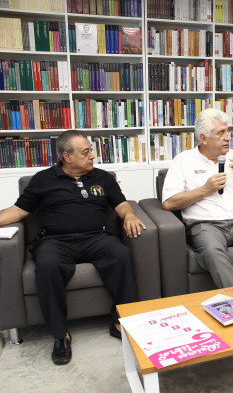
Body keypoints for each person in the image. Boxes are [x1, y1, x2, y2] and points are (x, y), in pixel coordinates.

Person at [0, 130, 145, 365]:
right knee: (47, 265)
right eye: (85, 152)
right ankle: (60, 334)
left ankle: (120, 322)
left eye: (91, 150)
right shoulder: (43, 179)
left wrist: (128, 215)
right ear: (67, 156)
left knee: (121, 254)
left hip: (96, 237)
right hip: (55, 241)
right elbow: (18, 211)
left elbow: (121, 203)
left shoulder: (103, 177)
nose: (92, 156)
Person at [162, 108, 233, 289]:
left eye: (228, 131)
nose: (228, 137)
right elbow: (169, 203)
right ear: (203, 138)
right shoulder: (183, 161)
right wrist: (205, 190)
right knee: (212, 252)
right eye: (221, 133)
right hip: (206, 224)